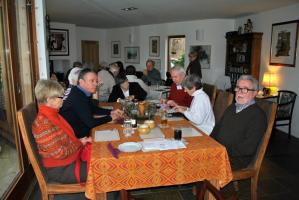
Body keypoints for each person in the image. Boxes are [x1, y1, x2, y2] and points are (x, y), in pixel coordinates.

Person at [32, 79, 91, 188]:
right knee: (102, 168)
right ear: (50, 100)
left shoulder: (53, 114)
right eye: (60, 97)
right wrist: (79, 143)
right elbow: (59, 153)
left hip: (69, 161)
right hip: (60, 169)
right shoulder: (42, 123)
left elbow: (67, 142)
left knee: (101, 158)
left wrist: (81, 141)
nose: (63, 99)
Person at [210, 75, 267, 169]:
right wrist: (209, 144)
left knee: (199, 163)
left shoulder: (258, 116)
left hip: (236, 159)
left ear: (254, 93)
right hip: (220, 151)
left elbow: (248, 148)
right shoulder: (232, 108)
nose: (239, 92)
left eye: (245, 89)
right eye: (238, 88)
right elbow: (217, 129)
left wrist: (221, 151)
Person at [60, 68, 123, 138]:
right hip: (77, 137)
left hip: (84, 130)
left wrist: (111, 112)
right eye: (92, 81)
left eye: (96, 81)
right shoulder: (77, 97)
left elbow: (93, 108)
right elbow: (91, 123)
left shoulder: (81, 91)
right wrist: (110, 118)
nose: (96, 84)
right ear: (81, 82)